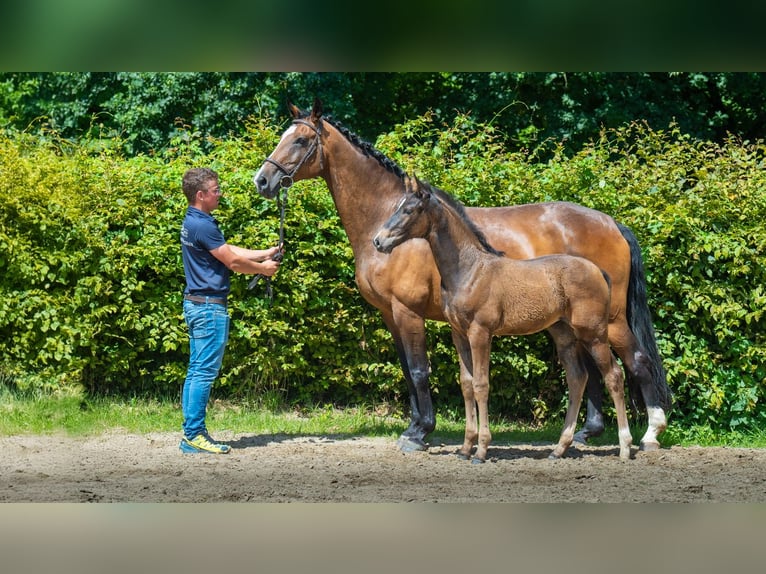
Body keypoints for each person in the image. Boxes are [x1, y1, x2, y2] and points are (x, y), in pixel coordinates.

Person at [179, 167, 282, 454]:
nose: (219, 193)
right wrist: (263, 269)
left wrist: (263, 253)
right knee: (202, 373)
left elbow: (224, 249)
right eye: (215, 190)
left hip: (197, 304)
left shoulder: (195, 220)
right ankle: (193, 435)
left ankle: (191, 433)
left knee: (195, 371)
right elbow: (232, 263)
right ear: (201, 195)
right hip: (209, 308)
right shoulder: (203, 224)